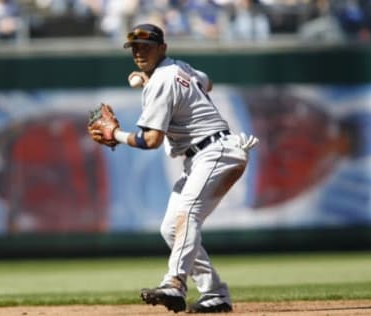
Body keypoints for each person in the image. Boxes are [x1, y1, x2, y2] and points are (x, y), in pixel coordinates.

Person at [104, 23, 259, 313]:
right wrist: (148, 79)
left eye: (147, 46)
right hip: (208, 154)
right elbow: (207, 82)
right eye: (135, 47)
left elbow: (151, 140)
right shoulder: (179, 67)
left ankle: (174, 282)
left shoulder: (162, 81)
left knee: (187, 215)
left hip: (215, 152)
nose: (139, 52)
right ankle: (215, 293)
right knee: (172, 229)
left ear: (162, 48)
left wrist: (116, 135)